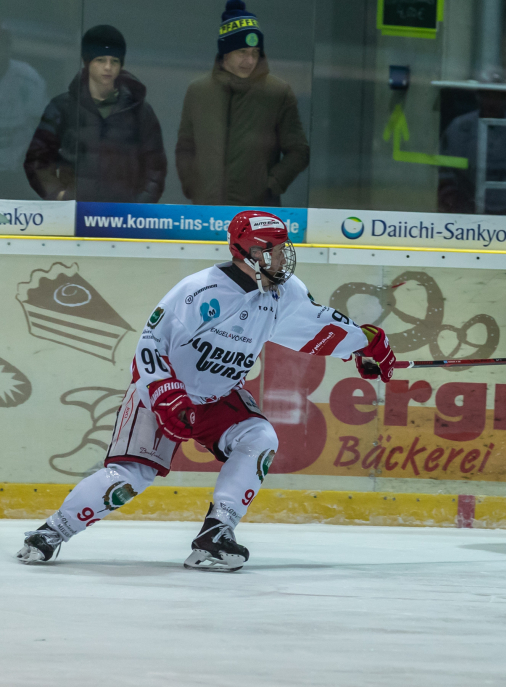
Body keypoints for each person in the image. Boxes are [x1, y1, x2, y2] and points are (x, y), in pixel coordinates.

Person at [17, 210, 397, 571]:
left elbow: (320, 325)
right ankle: (51, 532)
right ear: (251, 253)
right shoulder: (199, 291)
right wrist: (167, 395)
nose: (285, 257)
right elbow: (150, 346)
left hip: (219, 397)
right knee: (130, 477)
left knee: (259, 437)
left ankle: (216, 532)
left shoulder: (284, 293)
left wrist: (366, 344)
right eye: (276, 250)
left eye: (284, 248)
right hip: (162, 393)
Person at [176, 0, 309, 207]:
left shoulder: (277, 93)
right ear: (226, 52)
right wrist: (192, 185)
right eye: (242, 52)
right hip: (206, 211)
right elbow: (185, 147)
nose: (250, 61)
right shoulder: (198, 91)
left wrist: (270, 186)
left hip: (257, 211)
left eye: (255, 52)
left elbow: (299, 151)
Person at [23, 25, 166, 203]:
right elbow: (37, 161)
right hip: (75, 215)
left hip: (123, 215)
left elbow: (155, 168)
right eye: (100, 60)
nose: (108, 67)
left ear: (121, 64)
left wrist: (138, 207)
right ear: (87, 62)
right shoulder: (63, 107)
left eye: (114, 61)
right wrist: (60, 196)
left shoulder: (140, 111)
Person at [437, 71, 506, 216]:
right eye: (486, 95)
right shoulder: (459, 128)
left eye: (497, 96)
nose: (492, 102)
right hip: (471, 214)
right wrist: (455, 206)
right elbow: (444, 173)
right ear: (477, 96)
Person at [0, 27, 47, 199]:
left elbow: (42, 125)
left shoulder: (28, 78)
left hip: (18, 168)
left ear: (8, 47)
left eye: (1, 45)